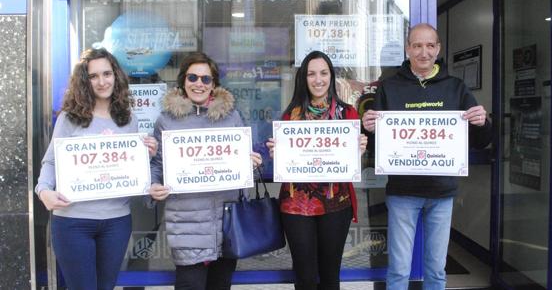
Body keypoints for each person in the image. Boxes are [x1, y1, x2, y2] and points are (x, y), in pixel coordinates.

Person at [362, 23, 492, 290]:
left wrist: (483, 122)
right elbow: (377, 147)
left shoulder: (456, 88)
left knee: (436, 270)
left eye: (430, 45)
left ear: (438, 48)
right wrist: (369, 128)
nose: (424, 52)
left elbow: (481, 140)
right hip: (402, 192)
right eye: (417, 45)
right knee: (398, 270)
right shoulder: (389, 88)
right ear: (408, 49)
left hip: (442, 192)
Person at [35, 48, 158, 290]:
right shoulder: (69, 119)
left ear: (116, 76)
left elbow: (128, 169)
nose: (102, 82)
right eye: (93, 76)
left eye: (107, 73)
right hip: (73, 222)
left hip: (117, 221)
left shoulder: (128, 119)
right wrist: (44, 190)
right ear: (84, 81)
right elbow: (51, 162)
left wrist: (145, 154)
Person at [148, 52, 263, 290]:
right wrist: (153, 185)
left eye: (205, 79)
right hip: (187, 223)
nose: (198, 84)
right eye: (192, 77)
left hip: (227, 222)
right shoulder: (166, 120)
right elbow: (157, 164)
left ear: (214, 85)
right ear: (183, 81)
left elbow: (242, 158)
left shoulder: (231, 118)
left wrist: (249, 161)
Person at [266, 51, 368, 290]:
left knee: (330, 275)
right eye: (311, 74)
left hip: (336, 204)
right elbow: (284, 160)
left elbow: (351, 160)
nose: (318, 79)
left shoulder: (348, 114)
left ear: (331, 77)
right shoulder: (290, 116)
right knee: (305, 276)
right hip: (296, 205)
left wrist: (358, 150)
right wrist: (277, 155)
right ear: (304, 78)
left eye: (324, 73)